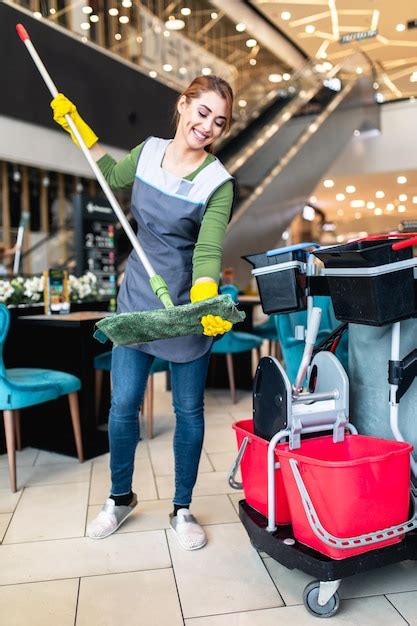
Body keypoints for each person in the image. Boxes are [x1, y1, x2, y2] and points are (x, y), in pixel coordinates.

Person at [51, 75, 235, 550]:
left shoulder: (218, 182)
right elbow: (112, 177)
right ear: (183, 105)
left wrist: (204, 298)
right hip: (136, 300)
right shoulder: (149, 151)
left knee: (188, 413)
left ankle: (182, 508)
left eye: (219, 121)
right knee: (122, 407)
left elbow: (208, 249)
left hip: (185, 306)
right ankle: (119, 498)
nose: (207, 126)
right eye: (202, 112)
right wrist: (80, 130)